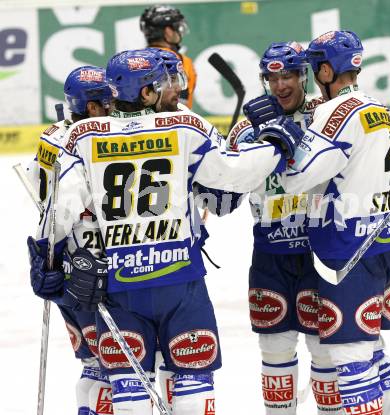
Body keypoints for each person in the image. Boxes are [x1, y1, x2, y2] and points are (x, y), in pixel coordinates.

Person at [32, 48, 297, 415]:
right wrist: (276, 145)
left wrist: (45, 258)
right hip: (179, 282)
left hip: (120, 285)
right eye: (161, 83)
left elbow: (60, 207)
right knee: (192, 379)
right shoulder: (184, 127)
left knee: (128, 385)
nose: (169, 88)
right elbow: (233, 172)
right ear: (145, 93)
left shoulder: (82, 136)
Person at [262, 30, 390, 415]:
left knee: (348, 351)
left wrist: (284, 141)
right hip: (388, 241)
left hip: (349, 248)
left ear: (324, 70)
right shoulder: (375, 105)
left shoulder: (330, 113)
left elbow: (297, 178)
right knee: (370, 343)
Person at [226, 42, 342, 415]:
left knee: (325, 348)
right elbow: (226, 196)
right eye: (272, 78)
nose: (280, 85)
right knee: (274, 349)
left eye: (287, 75)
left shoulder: (325, 115)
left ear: (303, 76)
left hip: (320, 252)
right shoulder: (248, 126)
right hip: (270, 255)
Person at [26, 66, 113, 415]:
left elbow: (37, 183)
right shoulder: (91, 141)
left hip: (60, 262)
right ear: (91, 107)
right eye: (108, 100)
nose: (114, 105)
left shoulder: (50, 135)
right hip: (92, 266)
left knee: (92, 364)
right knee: (114, 366)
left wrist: (48, 254)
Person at [140, 4, 197, 109]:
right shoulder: (178, 60)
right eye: (177, 27)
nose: (180, 32)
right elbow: (180, 103)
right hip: (173, 122)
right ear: (168, 32)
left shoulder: (136, 59)